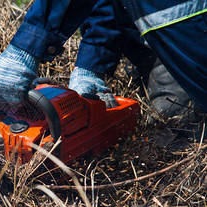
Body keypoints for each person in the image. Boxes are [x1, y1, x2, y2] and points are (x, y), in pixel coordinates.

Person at [0, 0, 207, 123]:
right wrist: (89, 67)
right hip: (172, 32)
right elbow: (112, 3)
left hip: (191, 35)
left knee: (176, 123)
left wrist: (24, 51)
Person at [67, 0, 200, 124]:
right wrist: (89, 67)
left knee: (173, 117)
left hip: (184, 41)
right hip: (154, 40)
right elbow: (109, 7)